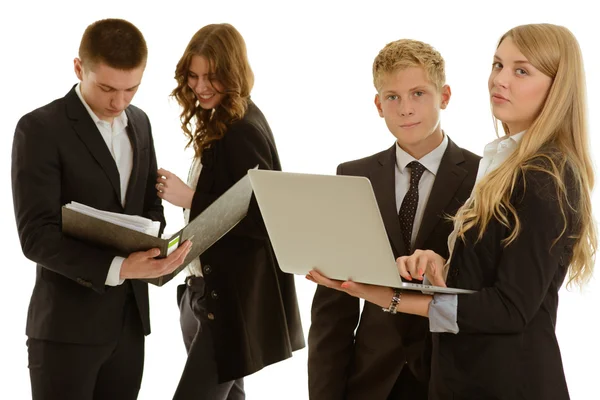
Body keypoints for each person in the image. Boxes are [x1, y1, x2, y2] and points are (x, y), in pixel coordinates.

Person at [308, 23, 597, 400]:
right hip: (448, 378)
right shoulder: (502, 164)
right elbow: (490, 270)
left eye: (521, 70)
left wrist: (390, 297)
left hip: (501, 380)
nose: (500, 80)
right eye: (497, 65)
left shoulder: (542, 175)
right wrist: (441, 264)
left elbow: (511, 307)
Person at [11, 18, 192, 400]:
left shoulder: (140, 123)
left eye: (132, 89)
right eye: (107, 87)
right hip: (65, 331)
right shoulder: (39, 128)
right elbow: (36, 237)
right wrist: (122, 266)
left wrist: (156, 250)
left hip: (128, 326)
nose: (119, 102)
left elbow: (149, 207)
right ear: (79, 68)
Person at [307, 39, 480, 400]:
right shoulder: (354, 177)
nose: (405, 109)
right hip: (369, 379)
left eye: (418, 93)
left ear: (444, 96)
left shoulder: (483, 176)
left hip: (453, 376)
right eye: (392, 97)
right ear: (378, 104)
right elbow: (332, 308)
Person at [156, 23, 305, 400]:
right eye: (193, 75)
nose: (201, 86)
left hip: (225, 304)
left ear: (233, 73)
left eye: (212, 76)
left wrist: (190, 198)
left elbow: (267, 216)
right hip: (204, 294)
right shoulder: (223, 119)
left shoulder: (242, 128)